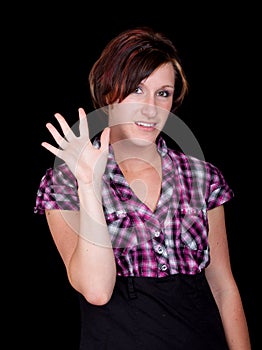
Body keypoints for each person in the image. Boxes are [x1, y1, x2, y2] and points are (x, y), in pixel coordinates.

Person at [34, 27, 251, 349]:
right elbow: (96, 290)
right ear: (109, 93)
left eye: (162, 93)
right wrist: (90, 186)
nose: (150, 107)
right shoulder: (64, 183)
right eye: (136, 90)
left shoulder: (201, 177)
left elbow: (223, 286)